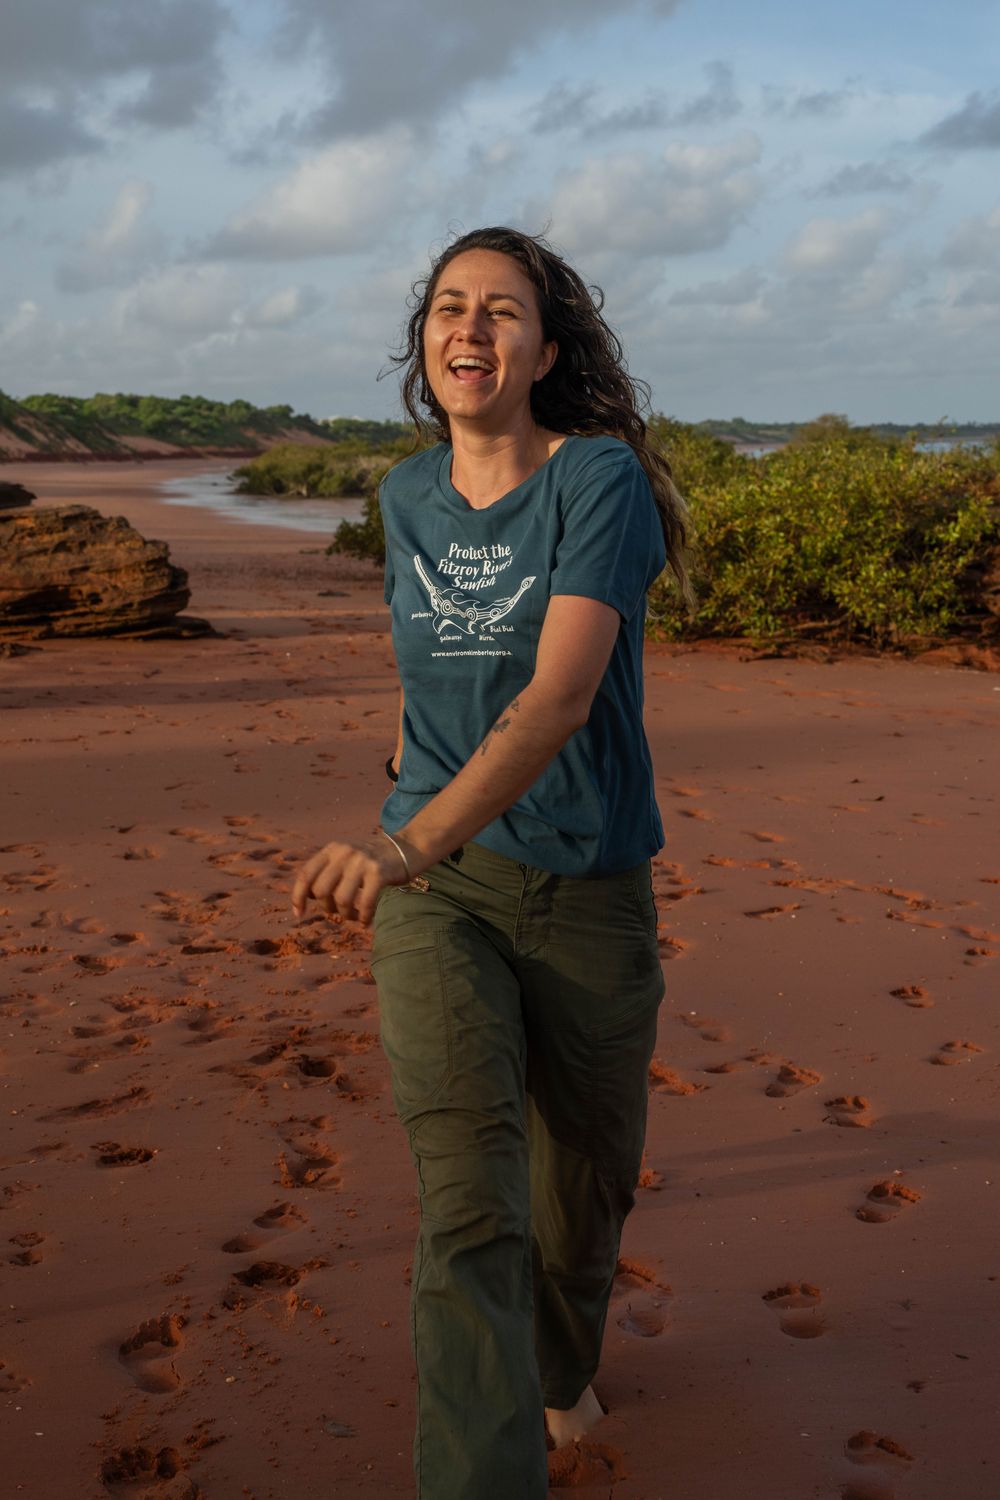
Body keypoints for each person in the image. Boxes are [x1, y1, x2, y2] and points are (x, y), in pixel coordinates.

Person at [290, 226, 692, 1500]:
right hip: (439, 892)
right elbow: (432, 680)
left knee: (580, 1198)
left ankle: (562, 1364)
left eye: (502, 310)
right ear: (425, 344)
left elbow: (560, 696)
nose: (471, 328)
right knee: (471, 1205)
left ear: (546, 351)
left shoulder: (597, 481)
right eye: (449, 307)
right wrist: (410, 821)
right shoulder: (405, 495)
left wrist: (402, 837)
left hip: (586, 889)